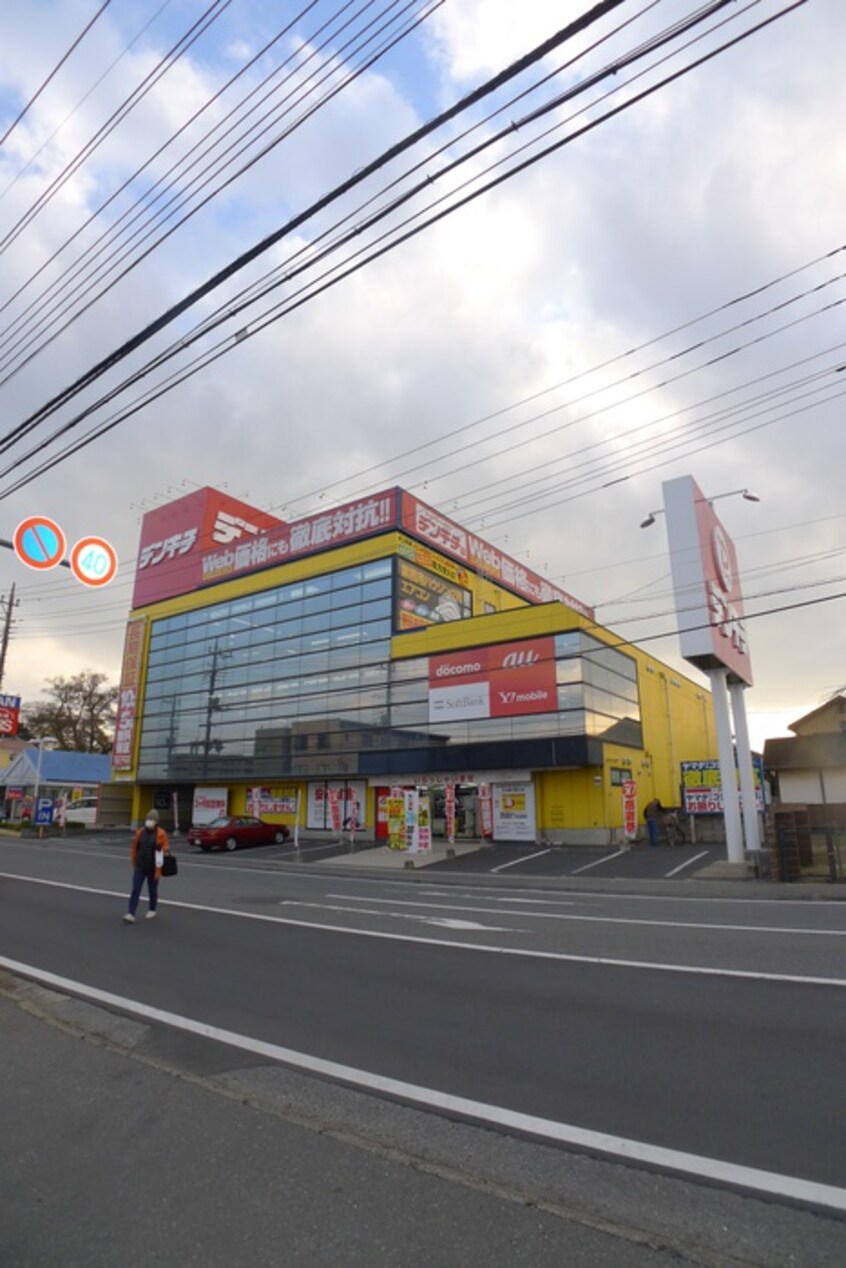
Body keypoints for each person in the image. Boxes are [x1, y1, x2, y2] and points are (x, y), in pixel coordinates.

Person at [124, 808, 170, 923]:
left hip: (153, 867)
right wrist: (134, 860)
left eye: (152, 819)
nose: (149, 821)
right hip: (140, 865)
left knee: (152, 889)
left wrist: (162, 849)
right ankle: (131, 912)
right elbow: (135, 847)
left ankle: (152, 909)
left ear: (156, 821)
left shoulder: (161, 833)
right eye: (148, 819)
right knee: (136, 888)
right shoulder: (140, 832)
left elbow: (167, 849)